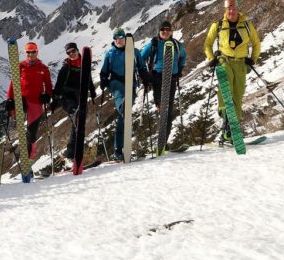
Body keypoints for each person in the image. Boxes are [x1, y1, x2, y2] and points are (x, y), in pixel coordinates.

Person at [204, 0, 261, 144]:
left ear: (237, 9)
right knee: (225, 92)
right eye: (229, 8)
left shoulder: (247, 25)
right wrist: (212, 58)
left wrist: (252, 59)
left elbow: (256, 43)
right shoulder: (217, 25)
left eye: (233, 8)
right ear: (225, 10)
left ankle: (228, 131)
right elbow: (208, 44)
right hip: (224, 61)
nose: (231, 11)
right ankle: (228, 130)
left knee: (238, 96)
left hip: (241, 63)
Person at [99, 28, 147, 162]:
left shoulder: (134, 51)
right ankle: (123, 108)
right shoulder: (110, 53)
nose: (118, 40)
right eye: (115, 38)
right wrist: (103, 80)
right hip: (116, 85)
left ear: (125, 38)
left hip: (131, 85)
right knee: (123, 106)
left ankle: (118, 150)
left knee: (122, 119)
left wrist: (146, 77)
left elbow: (142, 67)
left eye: (120, 37)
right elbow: (104, 71)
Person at [140, 21, 187, 152]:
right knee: (163, 108)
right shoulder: (153, 44)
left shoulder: (177, 45)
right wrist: (144, 75)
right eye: (162, 29)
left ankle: (163, 142)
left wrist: (180, 69)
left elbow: (183, 57)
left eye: (167, 29)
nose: (165, 32)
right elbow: (141, 58)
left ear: (171, 31)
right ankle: (161, 137)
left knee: (169, 111)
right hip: (156, 77)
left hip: (171, 78)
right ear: (159, 31)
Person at [5, 42, 53, 158]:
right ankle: (17, 151)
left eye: (33, 52)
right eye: (28, 52)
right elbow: (13, 84)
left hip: (36, 102)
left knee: (32, 134)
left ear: (37, 52)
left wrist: (47, 95)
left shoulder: (43, 68)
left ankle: (29, 159)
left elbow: (48, 85)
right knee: (20, 128)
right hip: (22, 99)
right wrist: (9, 99)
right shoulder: (20, 66)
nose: (30, 54)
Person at [53, 42, 96, 161]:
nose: (71, 54)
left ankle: (72, 151)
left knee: (78, 121)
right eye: (68, 52)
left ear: (77, 50)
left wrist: (92, 92)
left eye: (73, 51)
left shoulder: (84, 65)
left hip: (80, 97)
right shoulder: (66, 68)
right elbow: (58, 85)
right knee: (76, 113)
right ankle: (71, 152)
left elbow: (89, 79)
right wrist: (54, 99)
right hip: (67, 97)